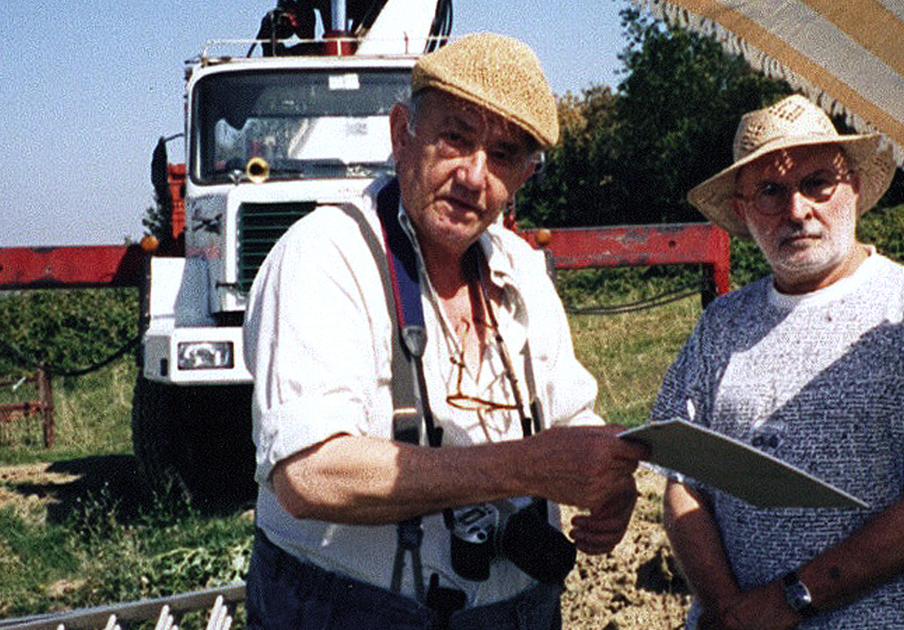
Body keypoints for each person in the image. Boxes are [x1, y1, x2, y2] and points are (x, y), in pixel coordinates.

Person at [242, 33, 647, 629]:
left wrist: (612, 486)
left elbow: (569, 419)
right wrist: (525, 467)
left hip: (519, 613)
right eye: (456, 137)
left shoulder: (521, 266)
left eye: (504, 154)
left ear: (525, 177)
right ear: (402, 132)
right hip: (351, 612)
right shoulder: (325, 253)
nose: (474, 175)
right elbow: (310, 475)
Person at [654, 94, 904, 629]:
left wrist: (785, 602)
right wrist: (730, 612)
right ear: (743, 212)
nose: (797, 210)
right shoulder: (721, 325)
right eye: (771, 191)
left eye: (817, 182)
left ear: (855, 188)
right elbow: (683, 481)